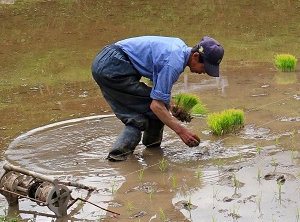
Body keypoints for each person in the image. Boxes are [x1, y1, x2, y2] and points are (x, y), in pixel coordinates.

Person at [91, 35, 224, 161]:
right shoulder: (173, 64)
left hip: (107, 61)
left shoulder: (179, 48)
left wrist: (170, 104)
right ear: (195, 56)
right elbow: (156, 106)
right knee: (149, 112)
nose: (204, 72)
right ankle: (120, 156)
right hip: (114, 66)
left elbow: (157, 86)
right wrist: (182, 131)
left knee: (148, 111)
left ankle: (150, 151)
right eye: (205, 67)